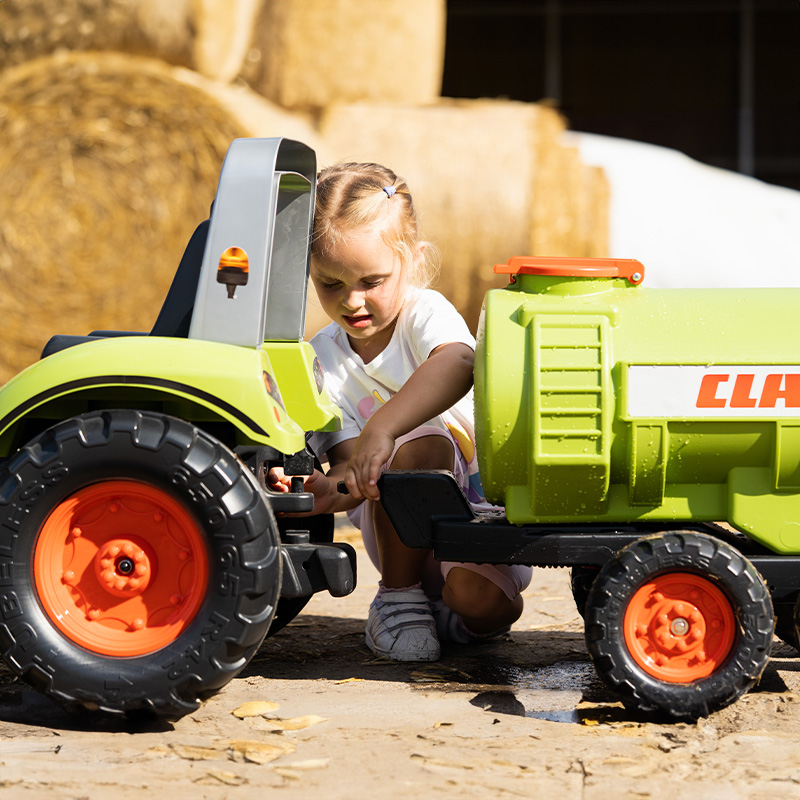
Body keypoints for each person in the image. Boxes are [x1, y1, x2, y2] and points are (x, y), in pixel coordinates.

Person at [269, 161, 532, 662]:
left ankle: (450, 615)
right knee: (418, 446)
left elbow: (458, 361)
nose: (353, 301)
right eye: (330, 284)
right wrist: (331, 489)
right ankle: (398, 598)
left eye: (372, 281)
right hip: (400, 545)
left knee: (483, 606)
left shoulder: (423, 313)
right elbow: (354, 467)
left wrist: (383, 426)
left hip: (477, 521)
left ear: (413, 259)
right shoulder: (322, 358)